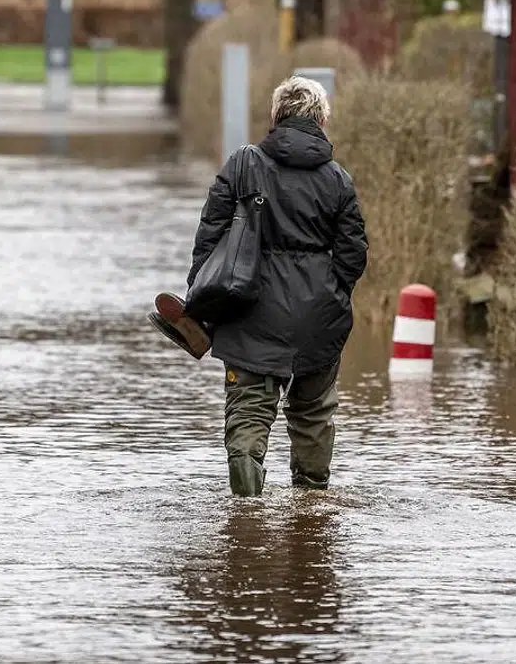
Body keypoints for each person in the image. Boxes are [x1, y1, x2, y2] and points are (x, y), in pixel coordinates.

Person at [151, 75, 368, 497]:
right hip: (319, 319)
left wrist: (202, 301)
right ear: (322, 120)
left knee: (248, 413)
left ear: (275, 116)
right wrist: (332, 295)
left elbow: (209, 237)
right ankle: (312, 511)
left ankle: (246, 510)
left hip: (249, 312)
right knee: (313, 417)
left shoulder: (242, 163)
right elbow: (353, 254)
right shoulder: (338, 179)